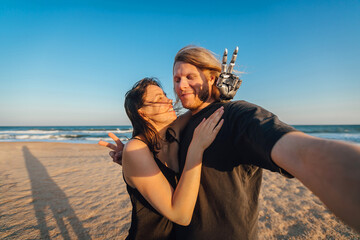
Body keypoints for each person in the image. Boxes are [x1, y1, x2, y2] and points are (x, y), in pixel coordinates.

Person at [106, 46, 360, 238]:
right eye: (176, 80)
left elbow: (295, 149)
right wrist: (130, 156)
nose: (180, 88)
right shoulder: (176, 129)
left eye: (190, 77)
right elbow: (159, 151)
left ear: (212, 79)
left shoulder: (235, 115)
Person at [99, 77, 224, 239]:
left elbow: (205, 106)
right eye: (160, 99)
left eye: (165, 95)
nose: (170, 100)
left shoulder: (173, 130)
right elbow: (181, 215)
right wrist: (196, 148)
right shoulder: (136, 148)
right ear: (142, 113)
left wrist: (218, 87)